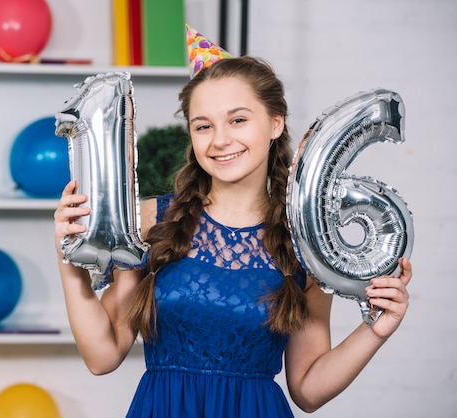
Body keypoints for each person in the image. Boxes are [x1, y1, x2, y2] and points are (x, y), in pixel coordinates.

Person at [53, 27, 412, 418]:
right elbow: (102, 356)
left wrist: (374, 331)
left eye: (238, 120)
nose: (220, 140)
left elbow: (308, 390)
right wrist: (68, 260)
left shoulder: (306, 241)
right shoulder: (151, 221)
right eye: (203, 126)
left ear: (275, 124)